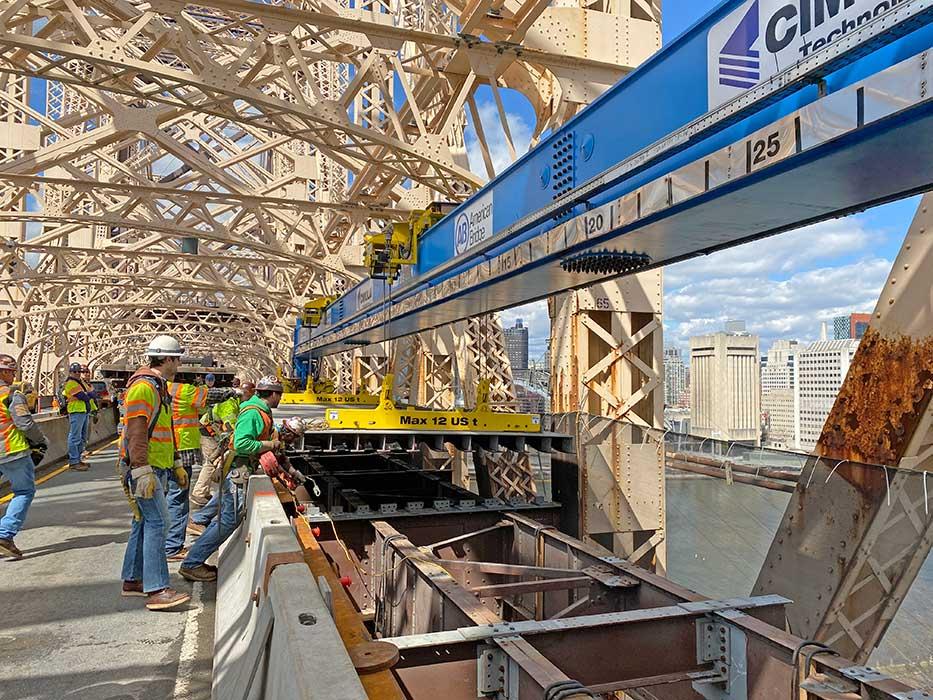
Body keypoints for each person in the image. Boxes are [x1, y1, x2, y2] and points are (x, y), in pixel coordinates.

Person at [179, 376, 282, 582]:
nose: (280, 398)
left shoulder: (257, 411)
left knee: (224, 512)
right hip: (237, 470)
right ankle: (192, 563)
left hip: (237, 469)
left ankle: (197, 534)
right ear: (273, 394)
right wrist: (269, 446)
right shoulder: (254, 413)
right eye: (279, 394)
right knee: (228, 520)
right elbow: (243, 443)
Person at [119, 335, 191, 611]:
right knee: (159, 522)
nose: (179, 363)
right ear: (168, 359)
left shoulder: (158, 387)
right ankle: (157, 588)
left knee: (142, 523)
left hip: (157, 466)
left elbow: (165, 429)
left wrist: (175, 463)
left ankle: (133, 580)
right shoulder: (144, 388)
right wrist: (141, 470)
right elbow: (136, 430)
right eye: (178, 358)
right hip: (145, 468)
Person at [0, 354, 48, 559]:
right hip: (11, 450)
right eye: (11, 371)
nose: (14, 375)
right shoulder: (11, 394)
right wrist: (41, 441)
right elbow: (25, 423)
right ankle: (5, 534)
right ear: (3, 371)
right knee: (24, 491)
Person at [189, 381, 253, 508]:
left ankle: (203, 492)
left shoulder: (235, 402)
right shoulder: (229, 405)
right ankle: (199, 494)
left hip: (212, 431)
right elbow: (231, 427)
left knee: (211, 461)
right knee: (211, 462)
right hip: (208, 432)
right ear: (245, 394)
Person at [164, 379, 208, 560]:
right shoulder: (183, 389)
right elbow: (208, 398)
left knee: (168, 497)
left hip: (164, 449)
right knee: (178, 499)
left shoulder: (160, 388)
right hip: (181, 449)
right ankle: (172, 547)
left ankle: (166, 544)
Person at [63, 362, 93, 472]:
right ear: (70, 372)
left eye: (79, 372)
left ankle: (78, 459)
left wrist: (88, 394)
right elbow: (83, 396)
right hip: (76, 411)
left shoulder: (79, 382)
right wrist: (87, 395)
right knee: (75, 437)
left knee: (82, 437)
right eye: (74, 371)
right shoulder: (71, 383)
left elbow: (91, 393)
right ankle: (74, 461)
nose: (77, 373)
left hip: (83, 411)